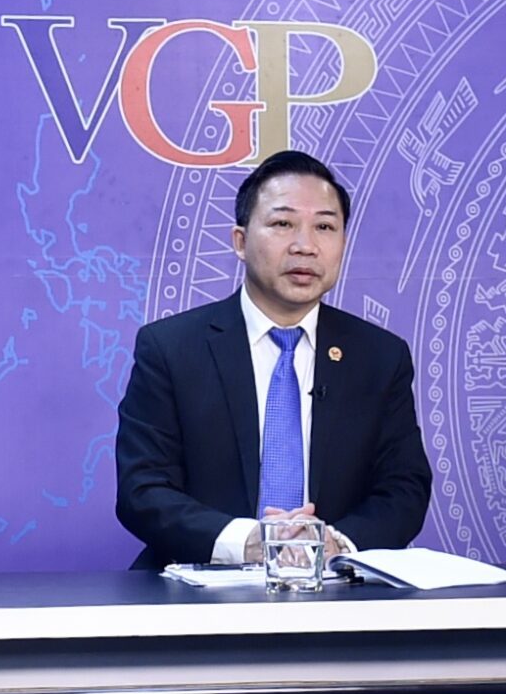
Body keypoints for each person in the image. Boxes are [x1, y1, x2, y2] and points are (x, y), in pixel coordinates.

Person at [113, 150, 432, 569]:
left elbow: (405, 488)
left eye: (324, 227)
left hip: (337, 590)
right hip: (199, 586)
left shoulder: (380, 357)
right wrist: (249, 542)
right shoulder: (171, 348)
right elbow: (142, 490)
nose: (305, 246)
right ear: (240, 242)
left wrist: (337, 544)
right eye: (283, 224)